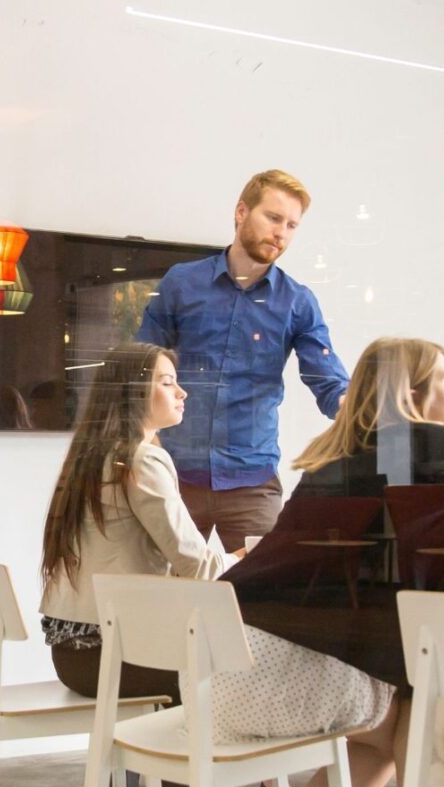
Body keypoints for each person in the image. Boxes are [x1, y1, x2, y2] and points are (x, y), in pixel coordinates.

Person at [222, 337, 444, 787]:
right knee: (414, 713)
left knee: (389, 730)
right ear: (413, 396)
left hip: (230, 670)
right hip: (283, 682)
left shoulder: (331, 465)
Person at [38, 342, 232, 787]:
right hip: (110, 657)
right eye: (167, 381)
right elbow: (197, 563)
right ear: (133, 394)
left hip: (76, 654)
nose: (182, 391)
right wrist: (249, 560)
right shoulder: (140, 459)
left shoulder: (94, 455)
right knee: (233, 701)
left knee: (193, 685)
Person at [137, 169, 350, 551]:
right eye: (273, 218)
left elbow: (328, 382)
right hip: (174, 476)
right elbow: (142, 367)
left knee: (262, 586)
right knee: (161, 585)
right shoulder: (182, 283)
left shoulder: (298, 302)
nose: (281, 233)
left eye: (291, 225)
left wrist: (364, 411)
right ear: (241, 212)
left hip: (253, 484)